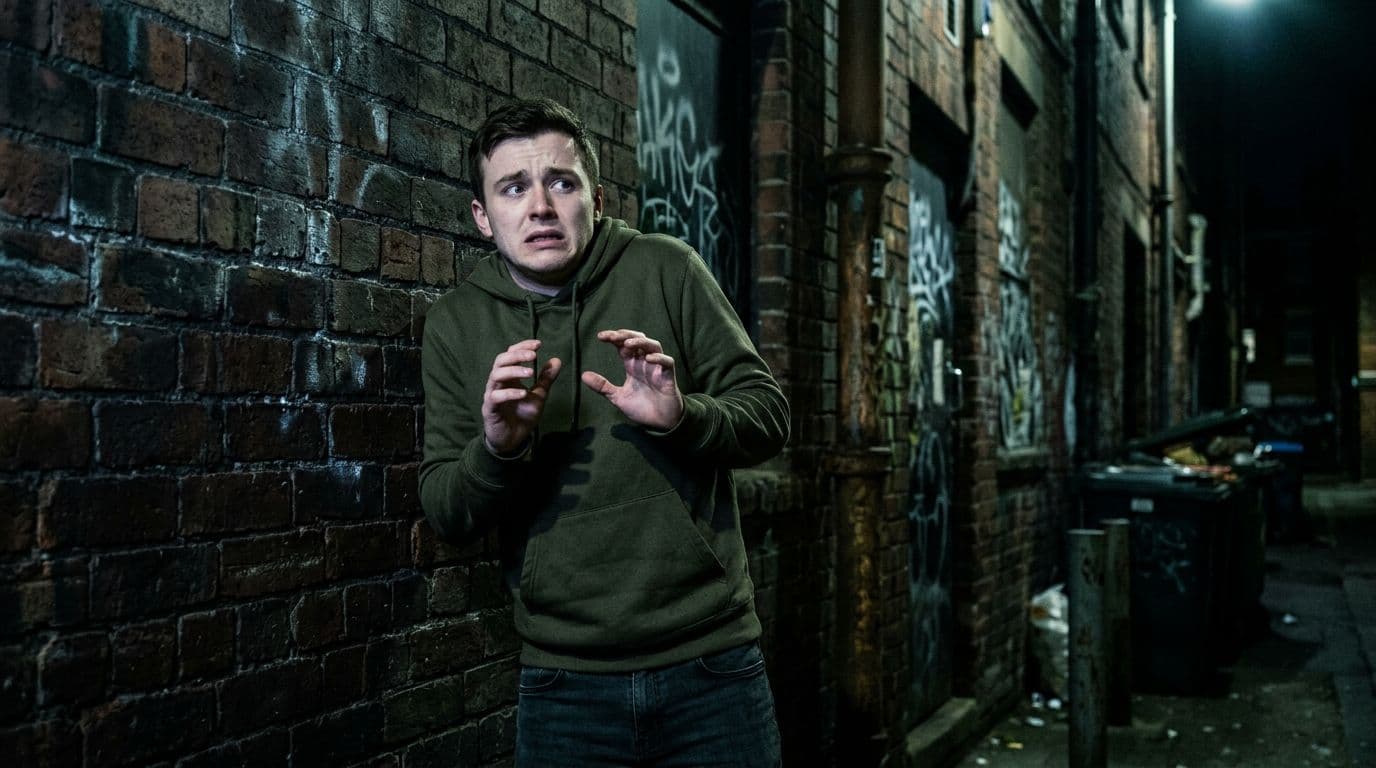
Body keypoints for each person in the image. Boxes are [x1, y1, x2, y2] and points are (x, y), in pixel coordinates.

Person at [419, 98, 790, 766]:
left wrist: (684, 418)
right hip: (565, 686)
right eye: (513, 187)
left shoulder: (666, 269)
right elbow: (448, 509)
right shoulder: (456, 324)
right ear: (482, 216)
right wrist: (498, 450)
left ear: (596, 196)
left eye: (561, 182)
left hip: (711, 667)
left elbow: (767, 417)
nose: (540, 206)